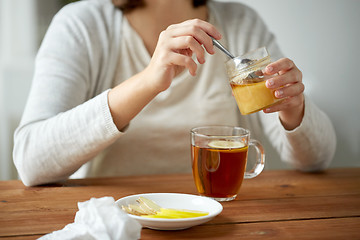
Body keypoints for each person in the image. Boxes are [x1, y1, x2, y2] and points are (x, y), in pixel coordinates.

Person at [13, 0, 336, 186]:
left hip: (222, 214)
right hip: (114, 217)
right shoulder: (82, 24)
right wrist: (149, 81)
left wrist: (293, 108)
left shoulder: (240, 21)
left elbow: (316, 160)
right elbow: (31, 161)